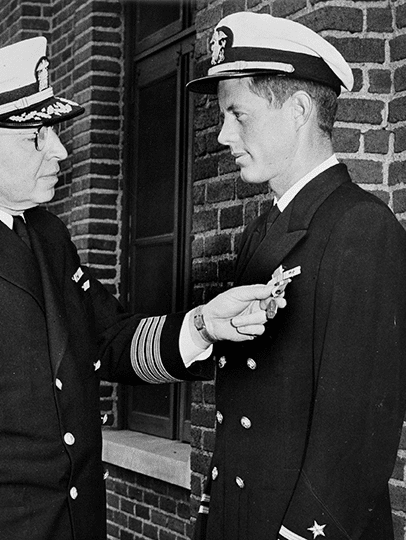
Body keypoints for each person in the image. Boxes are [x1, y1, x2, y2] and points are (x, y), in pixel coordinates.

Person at [0, 37, 282, 540]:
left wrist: (203, 325)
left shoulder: (46, 235)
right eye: (35, 138)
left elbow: (105, 340)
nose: (60, 150)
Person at [186, 11, 406, 540]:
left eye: (239, 115)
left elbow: (357, 433)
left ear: (300, 111)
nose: (222, 134)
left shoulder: (360, 229)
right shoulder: (266, 229)